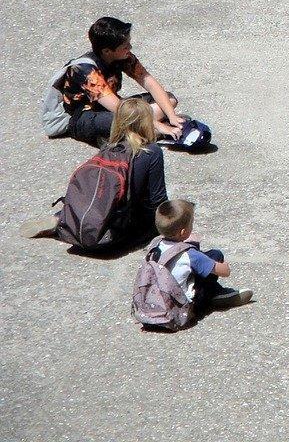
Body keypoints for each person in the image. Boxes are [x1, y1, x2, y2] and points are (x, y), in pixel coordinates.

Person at [21, 97, 169, 245]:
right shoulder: (152, 152)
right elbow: (158, 199)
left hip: (98, 219)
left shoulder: (108, 147)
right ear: (146, 123)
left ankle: (62, 217)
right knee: (152, 215)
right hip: (114, 233)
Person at [44, 17, 186, 147]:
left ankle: (137, 131)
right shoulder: (85, 71)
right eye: (125, 46)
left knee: (169, 100)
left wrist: (172, 116)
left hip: (112, 108)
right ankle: (134, 133)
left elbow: (148, 81)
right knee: (118, 121)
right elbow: (119, 108)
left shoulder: (123, 57)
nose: (129, 48)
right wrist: (157, 125)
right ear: (107, 51)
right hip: (83, 117)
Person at [146, 199, 252, 313]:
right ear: (183, 232)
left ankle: (216, 293)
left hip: (157, 302)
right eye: (191, 223)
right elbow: (225, 272)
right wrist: (224, 265)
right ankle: (215, 294)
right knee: (216, 254)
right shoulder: (190, 255)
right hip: (184, 308)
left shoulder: (154, 246)